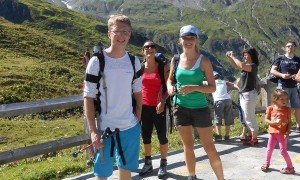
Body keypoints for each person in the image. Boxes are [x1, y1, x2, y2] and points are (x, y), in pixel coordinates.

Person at [83, 14, 142, 180]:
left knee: (126, 170)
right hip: (104, 129)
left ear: (130, 34)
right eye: (117, 32)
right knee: (101, 174)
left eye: (125, 32)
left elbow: (138, 91)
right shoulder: (97, 61)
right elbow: (88, 97)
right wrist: (93, 131)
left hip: (129, 127)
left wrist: (138, 117)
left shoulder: (134, 61)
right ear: (109, 33)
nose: (121, 36)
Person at [167, 25, 224, 180]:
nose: (188, 41)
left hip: (200, 108)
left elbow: (212, 88)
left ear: (196, 40)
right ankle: (192, 177)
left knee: (209, 147)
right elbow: (170, 79)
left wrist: (194, 88)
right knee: (188, 146)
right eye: (185, 38)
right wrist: (170, 87)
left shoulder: (204, 61)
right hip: (180, 107)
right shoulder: (176, 59)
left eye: (192, 38)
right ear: (180, 40)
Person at [139, 40, 170, 179]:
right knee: (146, 136)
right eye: (147, 47)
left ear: (155, 50)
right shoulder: (140, 68)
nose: (150, 48)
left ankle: (163, 163)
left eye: (152, 46)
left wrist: (163, 101)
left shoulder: (162, 67)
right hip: (144, 107)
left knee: (162, 136)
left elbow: (169, 87)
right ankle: (148, 163)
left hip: (159, 107)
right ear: (143, 51)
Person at [226, 47, 259, 146]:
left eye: (246, 54)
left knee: (250, 117)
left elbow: (240, 64)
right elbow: (235, 64)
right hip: (244, 94)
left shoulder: (253, 66)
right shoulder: (247, 66)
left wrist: (233, 56)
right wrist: (229, 57)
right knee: (246, 117)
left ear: (251, 56)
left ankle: (254, 138)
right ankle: (250, 136)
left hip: (249, 95)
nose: (244, 56)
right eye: (244, 55)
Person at [261, 89, 295, 174]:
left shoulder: (287, 109)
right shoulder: (270, 108)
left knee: (283, 151)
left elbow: (289, 122)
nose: (285, 101)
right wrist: (272, 122)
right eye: (282, 99)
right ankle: (266, 163)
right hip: (272, 133)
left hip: (282, 134)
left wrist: (287, 132)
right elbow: (266, 119)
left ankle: (290, 167)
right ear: (275, 99)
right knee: (269, 149)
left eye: (286, 99)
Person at [270, 40, 300, 132]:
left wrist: (297, 77)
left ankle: (299, 125)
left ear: (295, 48)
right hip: (282, 86)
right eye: (288, 46)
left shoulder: (298, 60)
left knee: (297, 106)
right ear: (285, 48)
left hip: (295, 86)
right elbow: (273, 71)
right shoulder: (280, 59)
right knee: (283, 107)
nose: (290, 48)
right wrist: (282, 75)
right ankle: (284, 125)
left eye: (292, 46)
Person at [211, 71, 235, 141]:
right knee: (228, 117)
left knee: (218, 117)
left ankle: (219, 135)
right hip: (228, 99)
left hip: (218, 100)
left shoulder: (211, 82)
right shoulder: (223, 81)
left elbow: (200, 84)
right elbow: (232, 84)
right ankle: (227, 136)